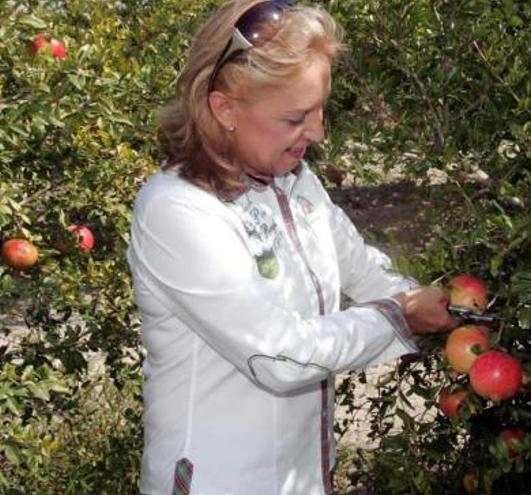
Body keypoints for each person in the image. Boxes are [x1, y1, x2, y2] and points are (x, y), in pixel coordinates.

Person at [126, 1, 457, 493]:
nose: (318, 131)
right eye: (297, 117)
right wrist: (401, 316)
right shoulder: (178, 210)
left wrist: (445, 309)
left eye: (321, 108)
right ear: (225, 109)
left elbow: (363, 272)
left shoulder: (295, 183)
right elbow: (278, 358)